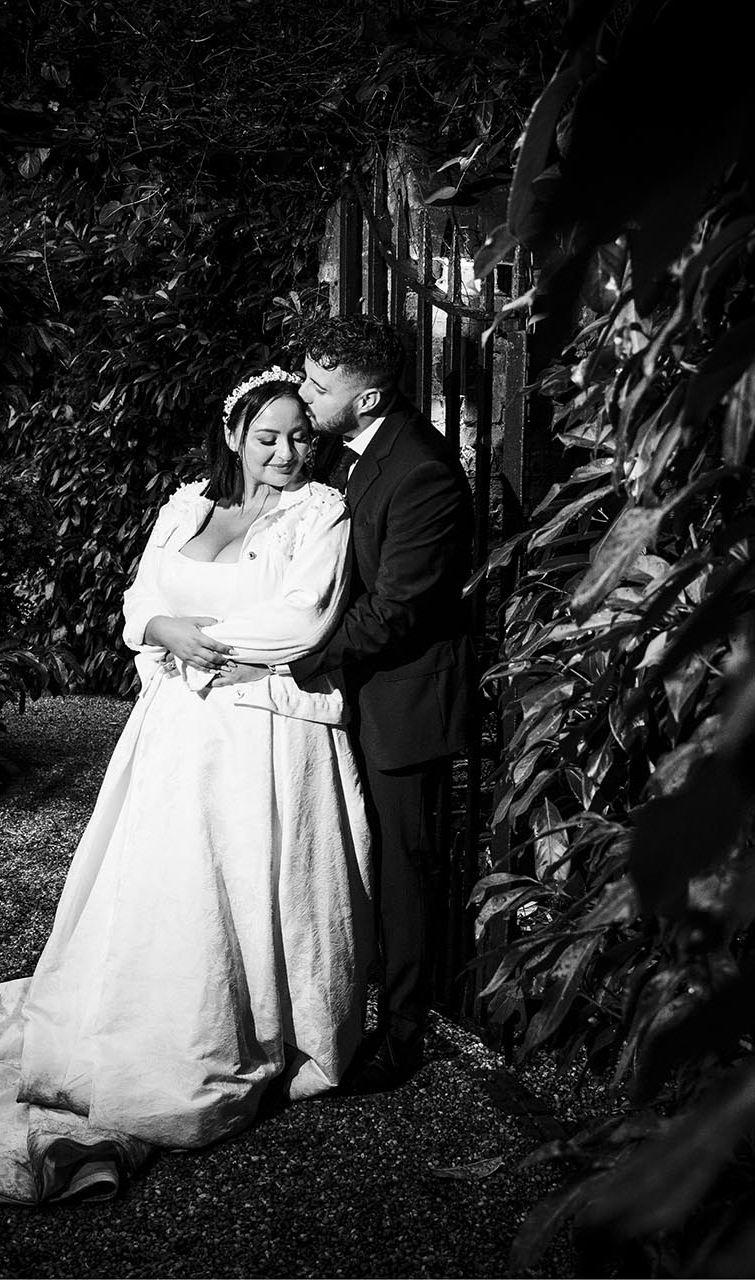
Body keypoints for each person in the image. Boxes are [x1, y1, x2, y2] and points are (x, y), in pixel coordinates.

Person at [0, 368, 371, 1203]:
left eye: (301, 437)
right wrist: (162, 626)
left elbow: (302, 620)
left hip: (256, 730)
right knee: (162, 882)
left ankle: (224, 1035)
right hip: (175, 728)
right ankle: (141, 1018)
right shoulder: (189, 507)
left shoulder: (319, 513)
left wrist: (197, 640)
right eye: (268, 438)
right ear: (234, 436)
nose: (287, 453)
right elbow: (138, 598)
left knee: (244, 881)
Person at [285, 314, 475, 1094]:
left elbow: (399, 606)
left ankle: (402, 1038)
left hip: (404, 705)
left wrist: (299, 659)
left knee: (405, 868)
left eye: (318, 387)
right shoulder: (348, 447)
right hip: (355, 691)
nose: (303, 394)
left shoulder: (423, 470)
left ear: (367, 400)